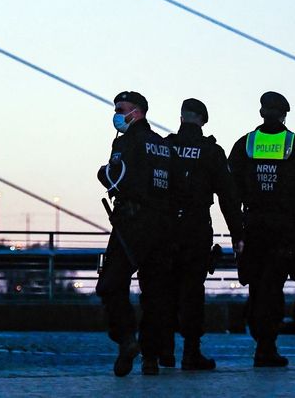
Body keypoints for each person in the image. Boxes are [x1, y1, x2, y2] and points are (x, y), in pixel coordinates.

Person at [228, 91, 295, 367]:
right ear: (283, 114)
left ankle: (260, 342)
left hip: (253, 226)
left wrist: (237, 230)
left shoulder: (246, 144)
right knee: (273, 286)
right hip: (283, 228)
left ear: (261, 112)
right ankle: (267, 346)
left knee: (256, 286)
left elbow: (231, 190)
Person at [95, 91, 178, 377]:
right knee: (155, 292)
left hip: (131, 223)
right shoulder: (163, 145)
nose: (117, 114)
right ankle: (151, 357)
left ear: (137, 112)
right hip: (163, 226)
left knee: (110, 284)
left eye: (121, 109)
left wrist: (102, 173)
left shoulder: (126, 142)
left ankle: (127, 340)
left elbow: (116, 176)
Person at [161, 98, 243, 370]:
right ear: (203, 120)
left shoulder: (165, 146)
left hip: (166, 227)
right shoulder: (211, 152)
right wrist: (237, 233)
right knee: (192, 291)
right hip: (196, 228)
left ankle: (163, 351)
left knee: (165, 288)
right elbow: (228, 197)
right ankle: (191, 353)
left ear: (181, 117)